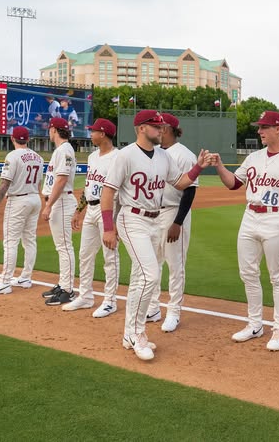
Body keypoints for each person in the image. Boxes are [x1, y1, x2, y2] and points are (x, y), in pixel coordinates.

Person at [101, 110, 210, 361]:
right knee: (151, 275)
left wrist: (198, 167)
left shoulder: (163, 156)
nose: (161, 130)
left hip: (155, 220)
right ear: (141, 128)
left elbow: (181, 183)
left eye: (162, 127)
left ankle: (129, 333)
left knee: (140, 278)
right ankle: (139, 333)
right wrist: (108, 227)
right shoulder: (125, 156)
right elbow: (108, 192)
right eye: (155, 126)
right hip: (132, 218)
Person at [213, 111, 279, 351]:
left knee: (277, 276)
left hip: (276, 217)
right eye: (260, 127)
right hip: (249, 216)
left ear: (278, 129)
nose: (259, 131)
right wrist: (219, 166)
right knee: (248, 273)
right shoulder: (254, 157)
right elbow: (234, 183)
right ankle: (255, 324)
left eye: (264, 127)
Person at [146, 113, 198, 333]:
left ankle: (174, 312)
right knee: (153, 263)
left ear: (167, 129)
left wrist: (178, 221)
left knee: (175, 265)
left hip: (173, 212)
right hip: (152, 214)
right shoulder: (155, 153)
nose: (157, 129)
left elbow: (190, 190)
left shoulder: (184, 155)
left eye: (159, 126)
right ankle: (153, 307)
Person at [65, 118, 121, 317]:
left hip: (110, 209)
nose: (91, 133)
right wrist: (78, 210)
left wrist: (115, 222)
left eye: (94, 131)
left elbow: (121, 191)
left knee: (110, 257)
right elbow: (89, 185)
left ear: (103, 133)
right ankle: (86, 296)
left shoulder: (118, 157)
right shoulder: (92, 157)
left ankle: (110, 301)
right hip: (91, 209)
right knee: (85, 254)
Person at [0, 126, 44, 295]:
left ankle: (4, 282)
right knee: (30, 240)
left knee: (10, 241)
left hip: (18, 200)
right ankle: (26, 277)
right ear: (28, 139)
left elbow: (4, 183)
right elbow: (39, 183)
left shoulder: (12, 156)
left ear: (12, 138)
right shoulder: (38, 157)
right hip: (34, 198)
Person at [40, 117, 78, 306]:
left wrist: (48, 205)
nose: (49, 131)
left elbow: (61, 180)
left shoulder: (64, 150)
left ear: (54, 129)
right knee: (61, 246)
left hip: (62, 201)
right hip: (60, 201)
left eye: (50, 128)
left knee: (64, 246)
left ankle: (68, 290)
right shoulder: (63, 150)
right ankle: (63, 284)